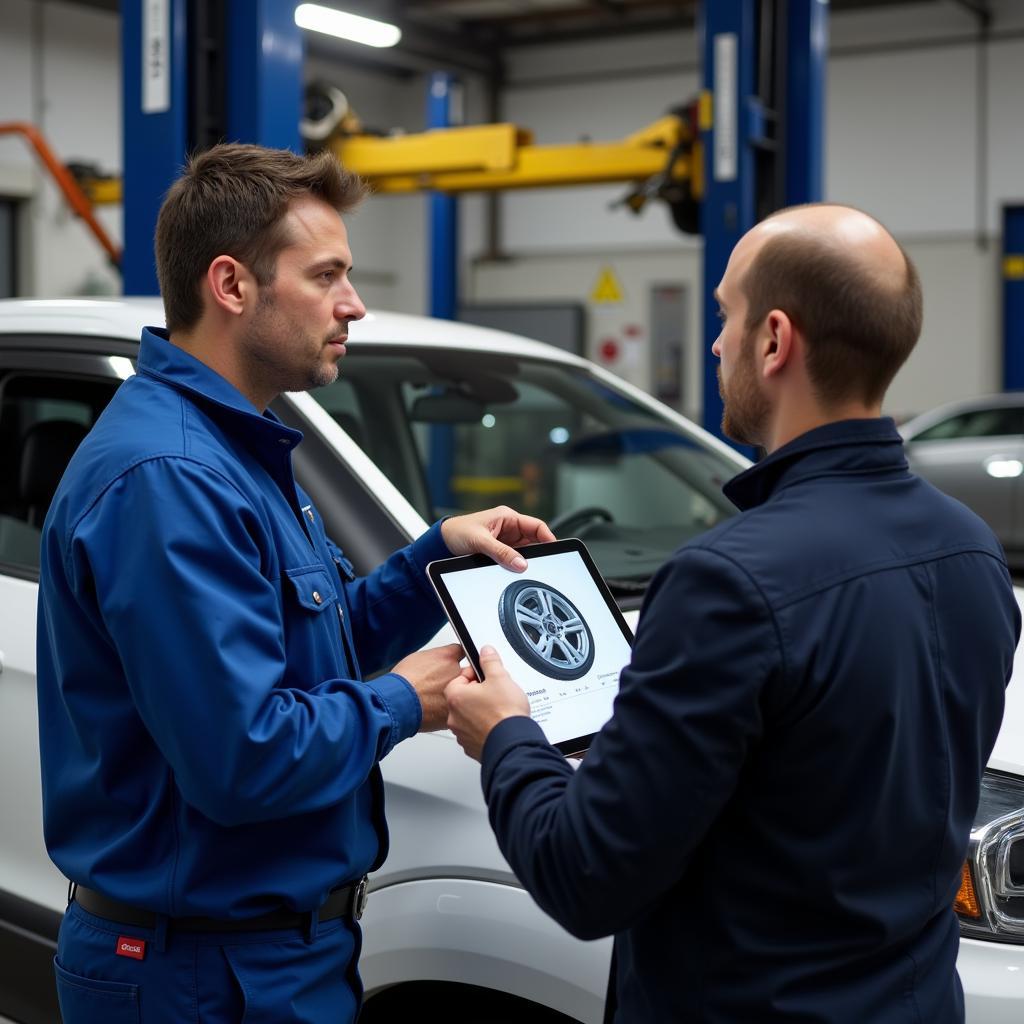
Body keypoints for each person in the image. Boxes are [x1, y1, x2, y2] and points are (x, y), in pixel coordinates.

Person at [446, 203, 1021, 1023]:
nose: (715, 342)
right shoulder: (969, 550)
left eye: (725, 316)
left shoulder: (727, 581)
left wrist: (505, 736)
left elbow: (585, 879)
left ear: (775, 340)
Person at [36, 142, 554, 1024]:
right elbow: (242, 758)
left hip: (266, 957)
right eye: (327, 277)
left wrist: (432, 560)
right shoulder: (172, 478)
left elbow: (307, 644)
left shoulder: (235, 448)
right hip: (201, 977)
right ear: (232, 286)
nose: (353, 305)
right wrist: (404, 700)